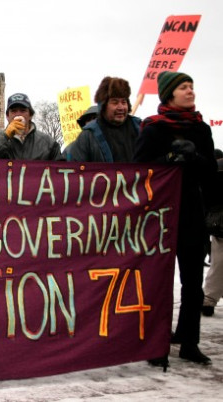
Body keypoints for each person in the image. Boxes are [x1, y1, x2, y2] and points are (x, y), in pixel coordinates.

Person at [134, 71, 216, 367]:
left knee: (193, 281)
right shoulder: (153, 128)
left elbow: (210, 175)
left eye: (192, 86)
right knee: (159, 281)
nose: (190, 91)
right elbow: (139, 171)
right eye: (184, 87)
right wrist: (167, 160)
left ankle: (189, 341)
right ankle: (157, 344)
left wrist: (195, 158)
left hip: (192, 212)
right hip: (160, 215)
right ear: (169, 94)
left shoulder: (201, 129)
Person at [66, 77, 141, 162]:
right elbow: (76, 170)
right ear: (103, 105)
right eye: (115, 102)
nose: (121, 107)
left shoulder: (140, 129)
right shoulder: (88, 136)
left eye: (124, 102)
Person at [0, 93, 62, 160]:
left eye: (23, 110)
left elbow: (60, 172)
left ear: (30, 115)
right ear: (7, 116)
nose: (18, 114)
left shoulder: (48, 143)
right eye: (13, 111)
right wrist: (5, 137)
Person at [202, 148, 223, 317]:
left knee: (218, 264)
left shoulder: (218, 167)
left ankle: (209, 299)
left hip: (220, 223)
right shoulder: (219, 167)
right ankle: (208, 299)